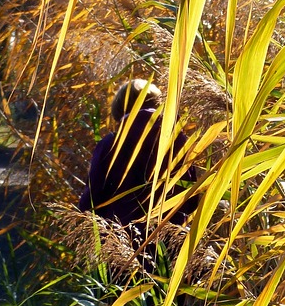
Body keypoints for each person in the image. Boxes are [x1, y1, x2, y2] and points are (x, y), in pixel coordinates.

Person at [78, 79, 196, 230]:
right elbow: (192, 198)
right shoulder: (179, 141)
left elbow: (92, 199)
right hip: (170, 234)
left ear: (120, 109)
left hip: (122, 236)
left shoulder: (111, 143)